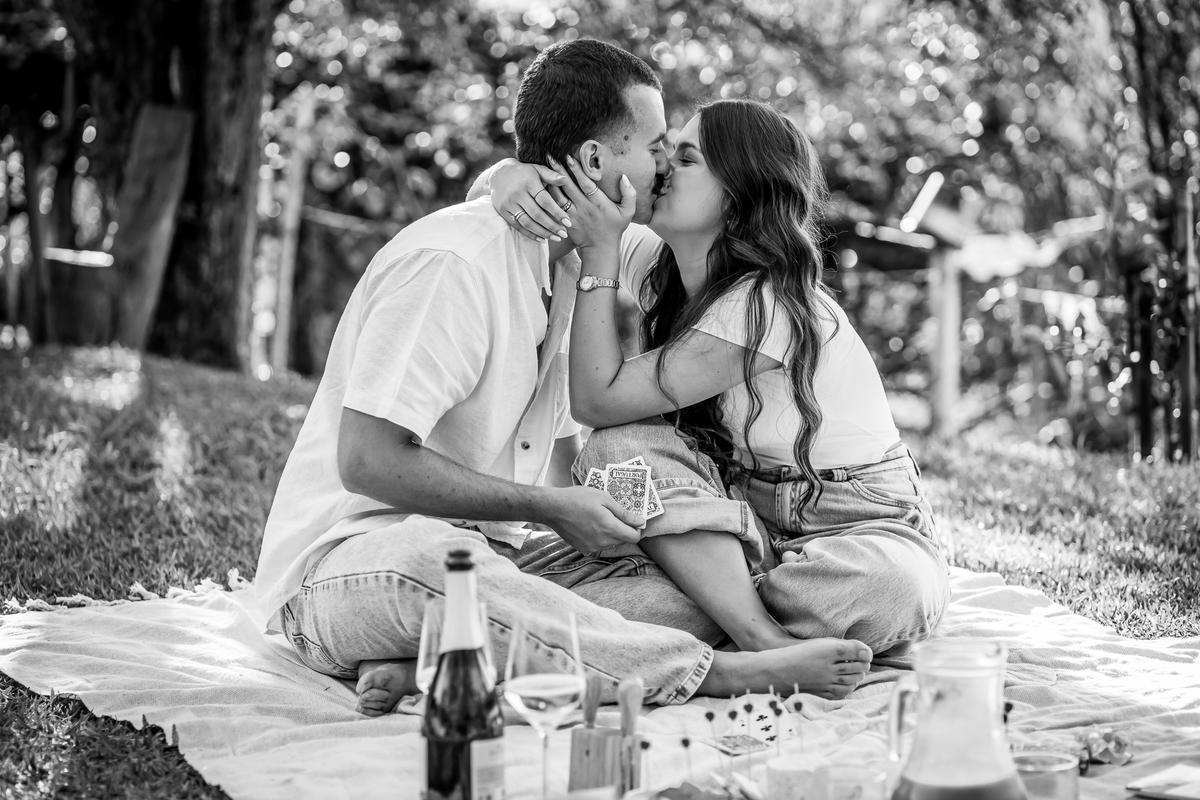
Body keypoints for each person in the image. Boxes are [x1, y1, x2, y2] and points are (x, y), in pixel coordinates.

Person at [254, 40, 873, 719]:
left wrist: (505, 176)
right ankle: (719, 672)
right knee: (440, 561)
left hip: (497, 556)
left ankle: (443, 659)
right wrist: (549, 507)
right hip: (355, 567)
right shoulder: (452, 265)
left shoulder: (580, 259)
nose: (665, 163)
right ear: (595, 161)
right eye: (656, 145)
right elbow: (367, 461)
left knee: (682, 590)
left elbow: (683, 254)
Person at [488, 98, 951, 660]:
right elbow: (503, 210)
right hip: (726, 515)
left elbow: (594, 396)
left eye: (685, 158)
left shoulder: (767, 302)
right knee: (621, 448)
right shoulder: (664, 262)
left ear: (739, 194)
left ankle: (717, 612)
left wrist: (598, 256)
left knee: (890, 590)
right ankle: (750, 627)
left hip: (855, 524)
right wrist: (507, 175)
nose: (659, 167)